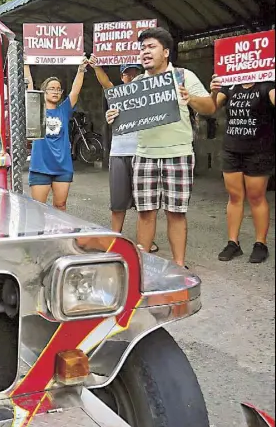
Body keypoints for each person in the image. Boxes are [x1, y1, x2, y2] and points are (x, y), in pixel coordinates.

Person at [105, 27, 215, 267]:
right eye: (142, 48)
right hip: (144, 155)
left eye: (151, 47)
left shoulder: (183, 76)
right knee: (145, 213)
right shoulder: (136, 84)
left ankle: (178, 266)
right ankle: (145, 266)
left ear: (165, 52)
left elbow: (210, 108)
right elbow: (124, 119)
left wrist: (190, 99)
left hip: (179, 153)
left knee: (176, 213)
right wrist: (113, 115)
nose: (145, 52)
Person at [90, 58, 159, 253]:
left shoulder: (150, 94)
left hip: (144, 153)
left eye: (135, 73)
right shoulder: (116, 95)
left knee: (144, 204)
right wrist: (96, 66)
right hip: (119, 153)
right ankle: (115, 239)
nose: (131, 77)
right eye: (127, 73)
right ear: (122, 77)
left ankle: (145, 242)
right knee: (118, 203)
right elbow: (105, 82)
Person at [210, 76, 275, 263]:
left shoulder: (267, 84)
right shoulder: (230, 84)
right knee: (235, 197)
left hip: (259, 150)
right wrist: (214, 91)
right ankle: (233, 243)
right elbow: (212, 108)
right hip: (232, 149)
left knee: (256, 197)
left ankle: (260, 243)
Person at [29, 57, 89, 211]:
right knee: (38, 209)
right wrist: (25, 63)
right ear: (43, 91)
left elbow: (75, 90)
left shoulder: (64, 109)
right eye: (51, 88)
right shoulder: (37, 108)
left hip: (62, 167)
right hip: (40, 166)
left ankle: (60, 235)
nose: (55, 91)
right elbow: (29, 87)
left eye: (58, 89)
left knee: (60, 206)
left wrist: (81, 69)